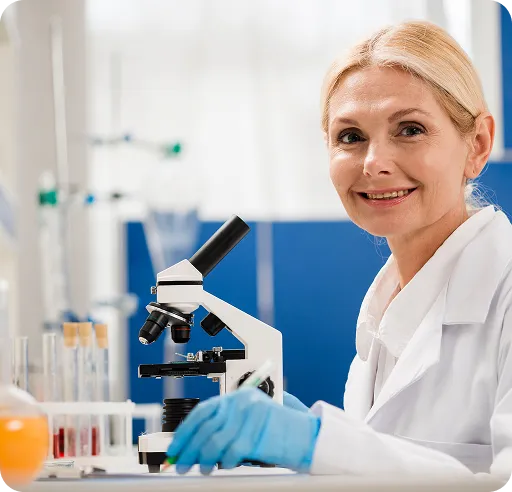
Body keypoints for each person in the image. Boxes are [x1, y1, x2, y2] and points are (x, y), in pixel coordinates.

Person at [165, 20, 512, 477]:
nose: (374, 163)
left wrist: (315, 443)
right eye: (351, 137)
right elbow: (388, 468)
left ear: (478, 144)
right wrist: (322, 444)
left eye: (409, 129)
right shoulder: (387, 312)